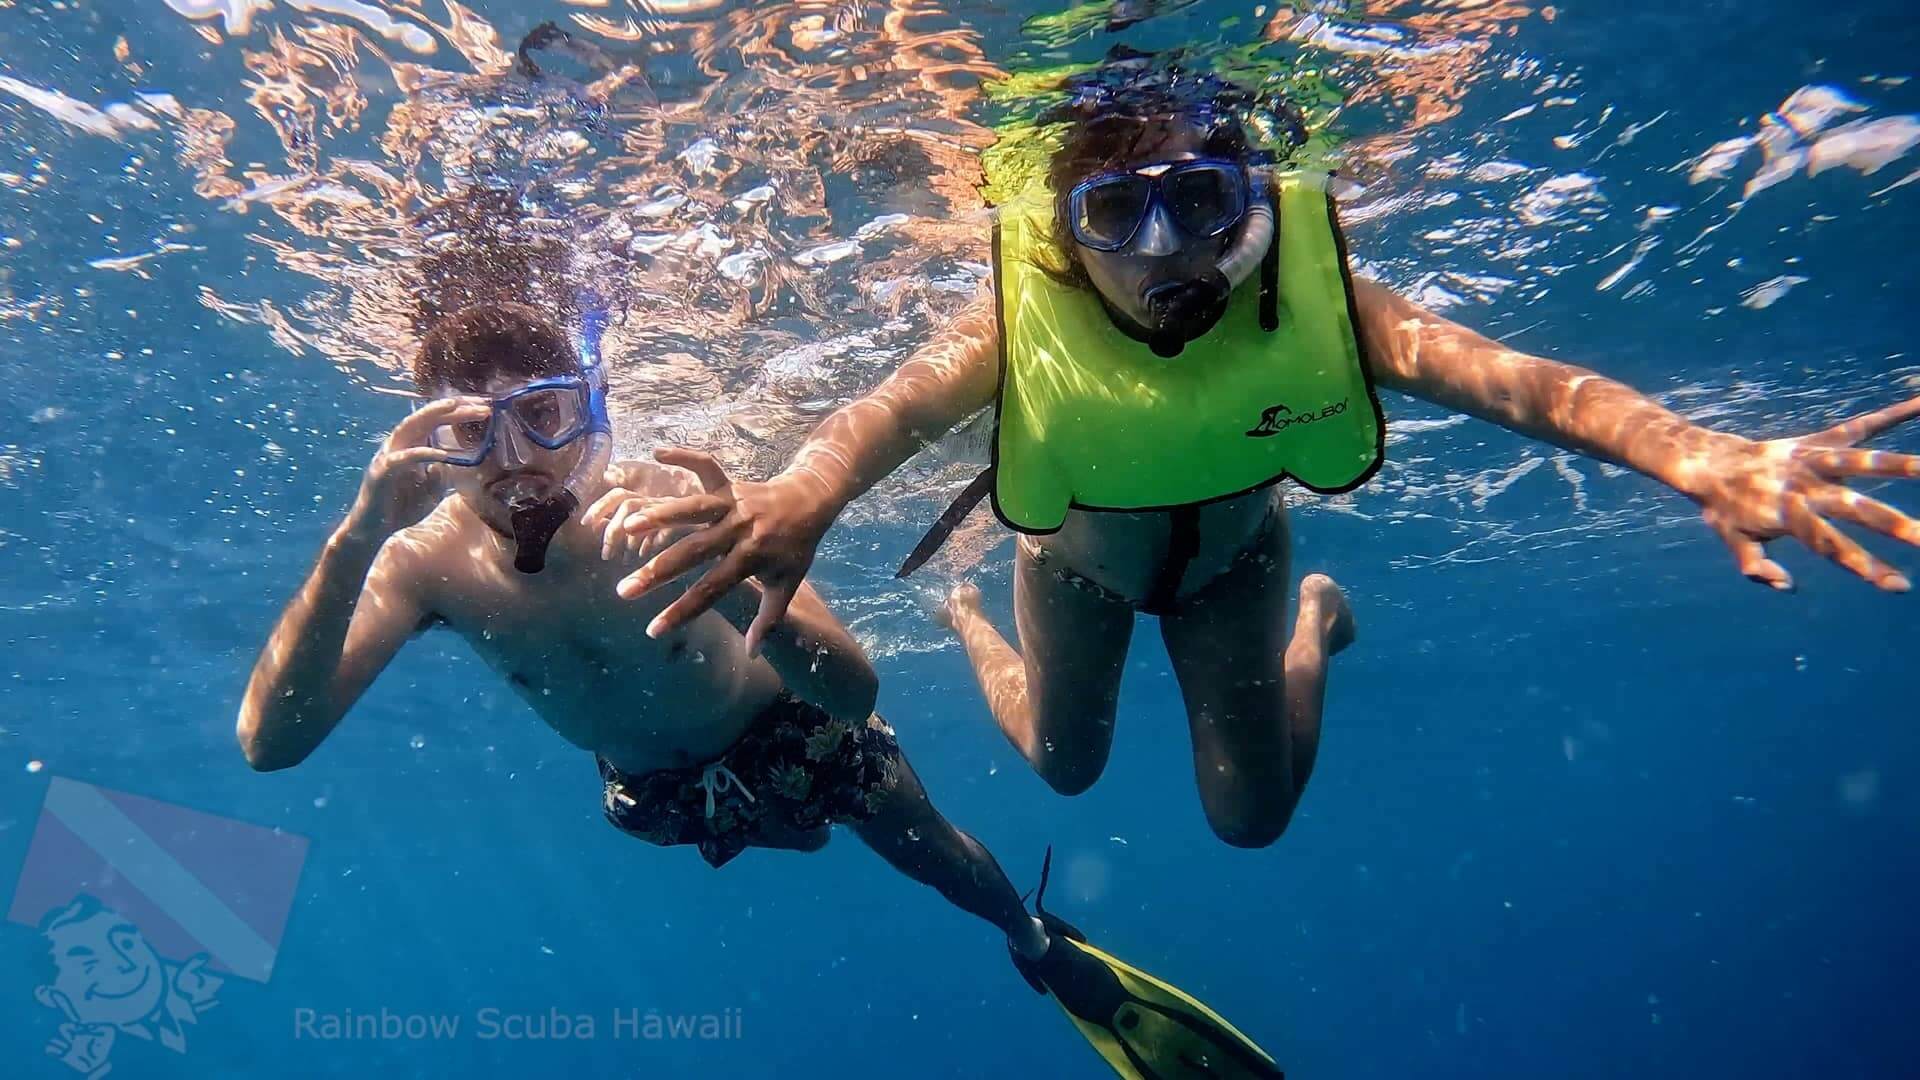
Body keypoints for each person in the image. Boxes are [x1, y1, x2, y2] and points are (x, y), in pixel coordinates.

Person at [606, 65, 1920, 850]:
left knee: (1251, 822)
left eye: (1207, 204)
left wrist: (1704, 459)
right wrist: (801, 495)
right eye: (1120, 213)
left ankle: (1318, 631)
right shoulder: (1020, 322)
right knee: (1067, 765)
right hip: (1071, 577)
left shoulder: (1323, 302)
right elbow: (882, 416)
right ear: (1066, 239)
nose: (1167, 250)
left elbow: (1528, 387)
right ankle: (961, 605)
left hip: (1241, 573)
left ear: (1253, 214)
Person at [235, 302, 1285, 1078]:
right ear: (426, 442)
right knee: (788, 834)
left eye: (545, 417)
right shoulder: (416, 562)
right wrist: (354, 532)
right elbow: (269, 746)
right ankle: (800, 828)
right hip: (655, 792)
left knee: (934, 857)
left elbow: (854, 691)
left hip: (789, 728)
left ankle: (1035, 941)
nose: (516, 464)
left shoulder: (666, 506)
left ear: (588, 410)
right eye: (472, 433)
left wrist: (741, 590)